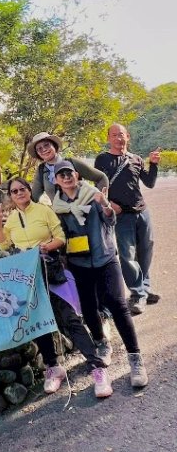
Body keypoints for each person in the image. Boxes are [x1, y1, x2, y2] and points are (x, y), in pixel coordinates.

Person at [0, 178, 111, 398]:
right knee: (38, 320)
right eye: (14, 191)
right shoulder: (11, 220)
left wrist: (46, 247)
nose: (19, 193)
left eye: (22, 189)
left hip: (51, 269)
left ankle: (97, 367)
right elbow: (3, 244)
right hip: (28, 276)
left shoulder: (43, 211)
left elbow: (61, 237)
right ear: (11, 196)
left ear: (29, 191)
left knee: (69, 318)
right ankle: (53, 367)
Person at [52, 159, 148, 390]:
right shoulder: (57, 207)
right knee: (88, 307)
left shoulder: (94, 195)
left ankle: (135, 358)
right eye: (61, 174)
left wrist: (106, 208)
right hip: (79, 262)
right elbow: (59, 233)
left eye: (70, 173)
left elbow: (110, 220)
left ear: (77, 175)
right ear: (56, 181)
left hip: (105, 258)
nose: (66, 177)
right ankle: (101, 343)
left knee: (117, 304)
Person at [94, 124, 160, 315]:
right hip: (121, 216)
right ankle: (137, 294)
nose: (118, 139)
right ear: (108, 138)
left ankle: (144, 289)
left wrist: (153, 164)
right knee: (127, 256)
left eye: (121, 135)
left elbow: (150, 183)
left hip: (142, 211)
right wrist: (109, 203)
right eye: (114, 135)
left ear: (128, 137)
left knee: (146, 250)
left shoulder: (136, 159)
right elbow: (97, 187)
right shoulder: (102, 159)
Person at [28, 131, 108, 202]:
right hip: (61, 216)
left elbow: (101, 177)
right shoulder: (42, 170)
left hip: (85, 215)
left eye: (47, 145)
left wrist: (100, 202)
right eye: (39, 149)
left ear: (54, 146)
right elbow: (34, 197)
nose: (44, 150)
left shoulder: (72, 162)